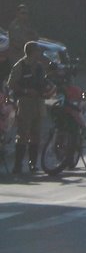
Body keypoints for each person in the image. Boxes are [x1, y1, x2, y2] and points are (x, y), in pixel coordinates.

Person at [7, 42, 52, 175]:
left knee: (36, 134)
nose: (40, 53)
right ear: (31, 52)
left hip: (38, 102)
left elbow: (43, 81)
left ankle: (33, 163)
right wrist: (26, 90)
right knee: (23, 134)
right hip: (25, 102)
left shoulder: (39, 66)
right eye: (37, 51)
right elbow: (11, 84)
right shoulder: (20, 66)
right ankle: (18, 165)